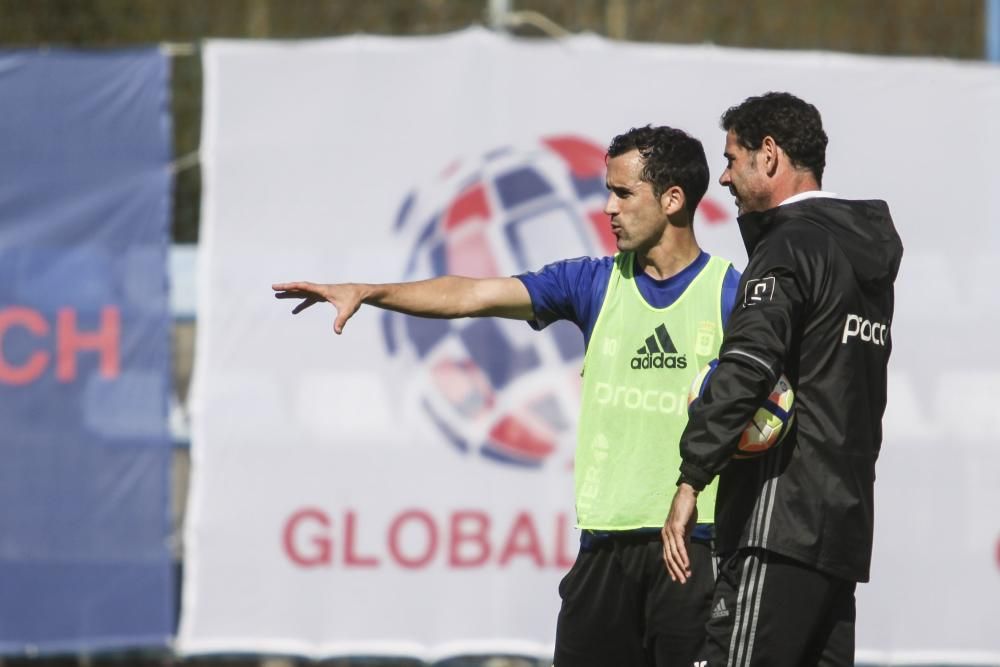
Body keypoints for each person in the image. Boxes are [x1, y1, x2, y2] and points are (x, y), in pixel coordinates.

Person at [274, 125, 741, 667]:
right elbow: (470, 294)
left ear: (673, 199)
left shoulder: (733, 295)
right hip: (602, 551)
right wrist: (369, 292)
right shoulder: (593, 283)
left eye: (623, 193)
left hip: (691, 548)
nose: (608, 208)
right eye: (606, 192)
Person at [661, 92, 903, 666]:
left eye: (731, 158)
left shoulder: (789, 245)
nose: (722, 177)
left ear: (768, 156)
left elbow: (746, 367)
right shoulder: (858, 255)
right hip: (840, 528)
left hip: (779, 522)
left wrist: (692, 476)